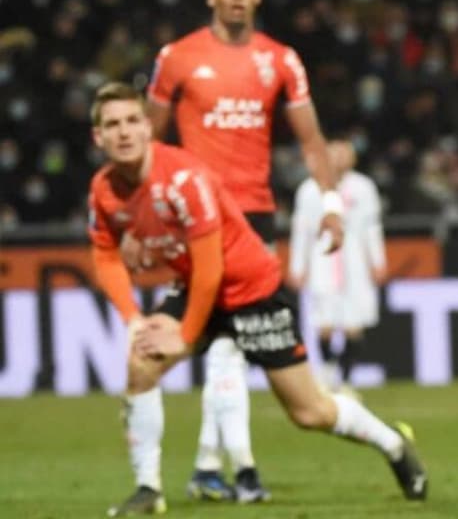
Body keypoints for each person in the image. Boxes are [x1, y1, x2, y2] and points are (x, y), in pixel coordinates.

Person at [85, 82, 426, 517]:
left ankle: (393, 444)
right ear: (98, 136)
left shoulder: (184, 179)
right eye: (112, 124)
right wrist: (133, 318)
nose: (124, 132)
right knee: (142, 361)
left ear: (148, 127)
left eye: (133, 120)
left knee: (310, 413)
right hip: (197, 285)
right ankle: (148, 489)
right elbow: (105, 253)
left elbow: (212, 267)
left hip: (251, 289)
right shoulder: (104, 189)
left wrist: (184, 335)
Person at [141, 0, 347, 501]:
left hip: (253, 219)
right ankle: (219, 467)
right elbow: (148, 143)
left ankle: (211, 467)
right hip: (196, 215)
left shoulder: (280, 59)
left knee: (226, 346)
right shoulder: (177, 57)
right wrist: (145, 216)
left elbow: (311, 140)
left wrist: (330, 203)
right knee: (221, 346)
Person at [289, 139, 387, 391]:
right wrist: (297, 266)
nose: (340, 159)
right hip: (322, 260)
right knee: (324, 326)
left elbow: (372, 229)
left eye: (345, 154)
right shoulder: (309, 189)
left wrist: (378, 261)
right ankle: (327, 372)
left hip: (355, 263)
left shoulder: (364, 187)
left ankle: (345, 380)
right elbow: (301, 231)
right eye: (335, 154)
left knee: (354, 327)